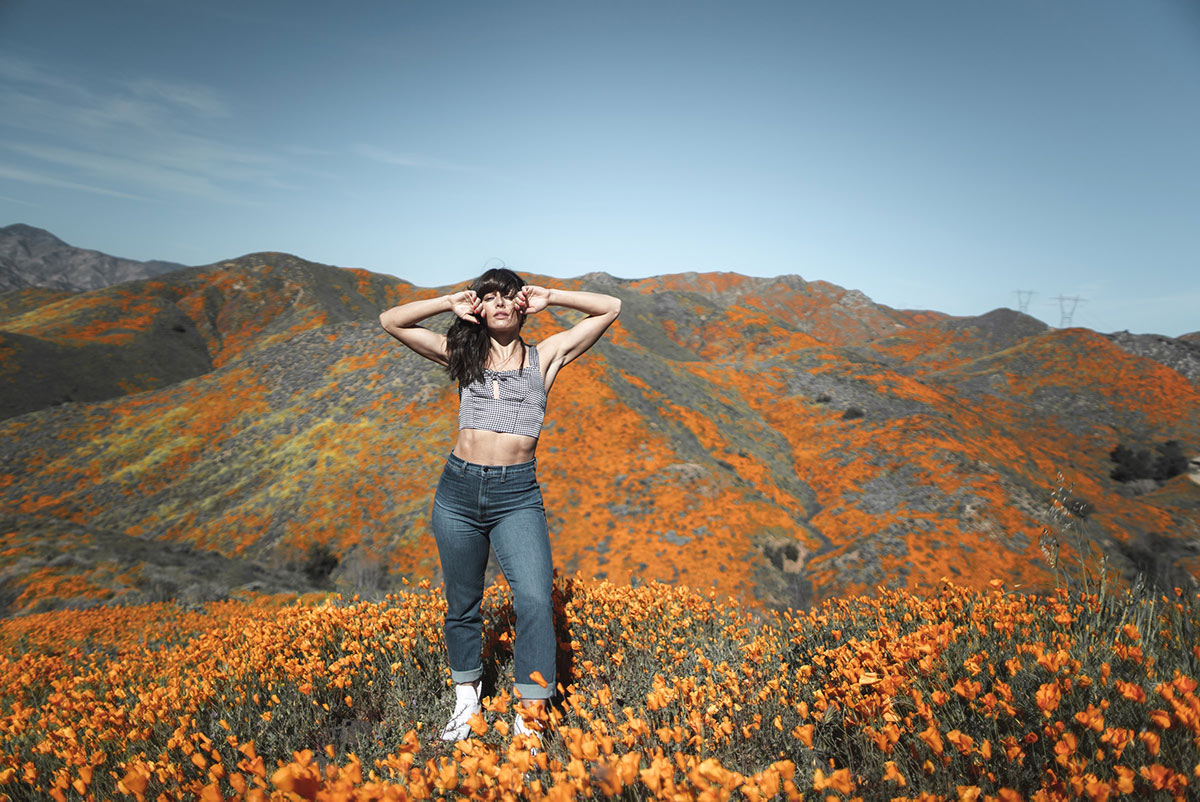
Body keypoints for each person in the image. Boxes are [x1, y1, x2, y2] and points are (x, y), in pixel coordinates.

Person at [379, 267, 621, 743]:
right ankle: (467, 701)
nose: (501, 304)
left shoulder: (545, 356)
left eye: (509, 296)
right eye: (489, 298)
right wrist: (448, 302)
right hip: (458, 492)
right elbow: (392, 321)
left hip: (516, 495)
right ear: (480, 309)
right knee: (462, 602)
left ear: (521, 305)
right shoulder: (461, 355)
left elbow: (611, 308)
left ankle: (530, 718)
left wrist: (552, 296)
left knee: (533, 599)